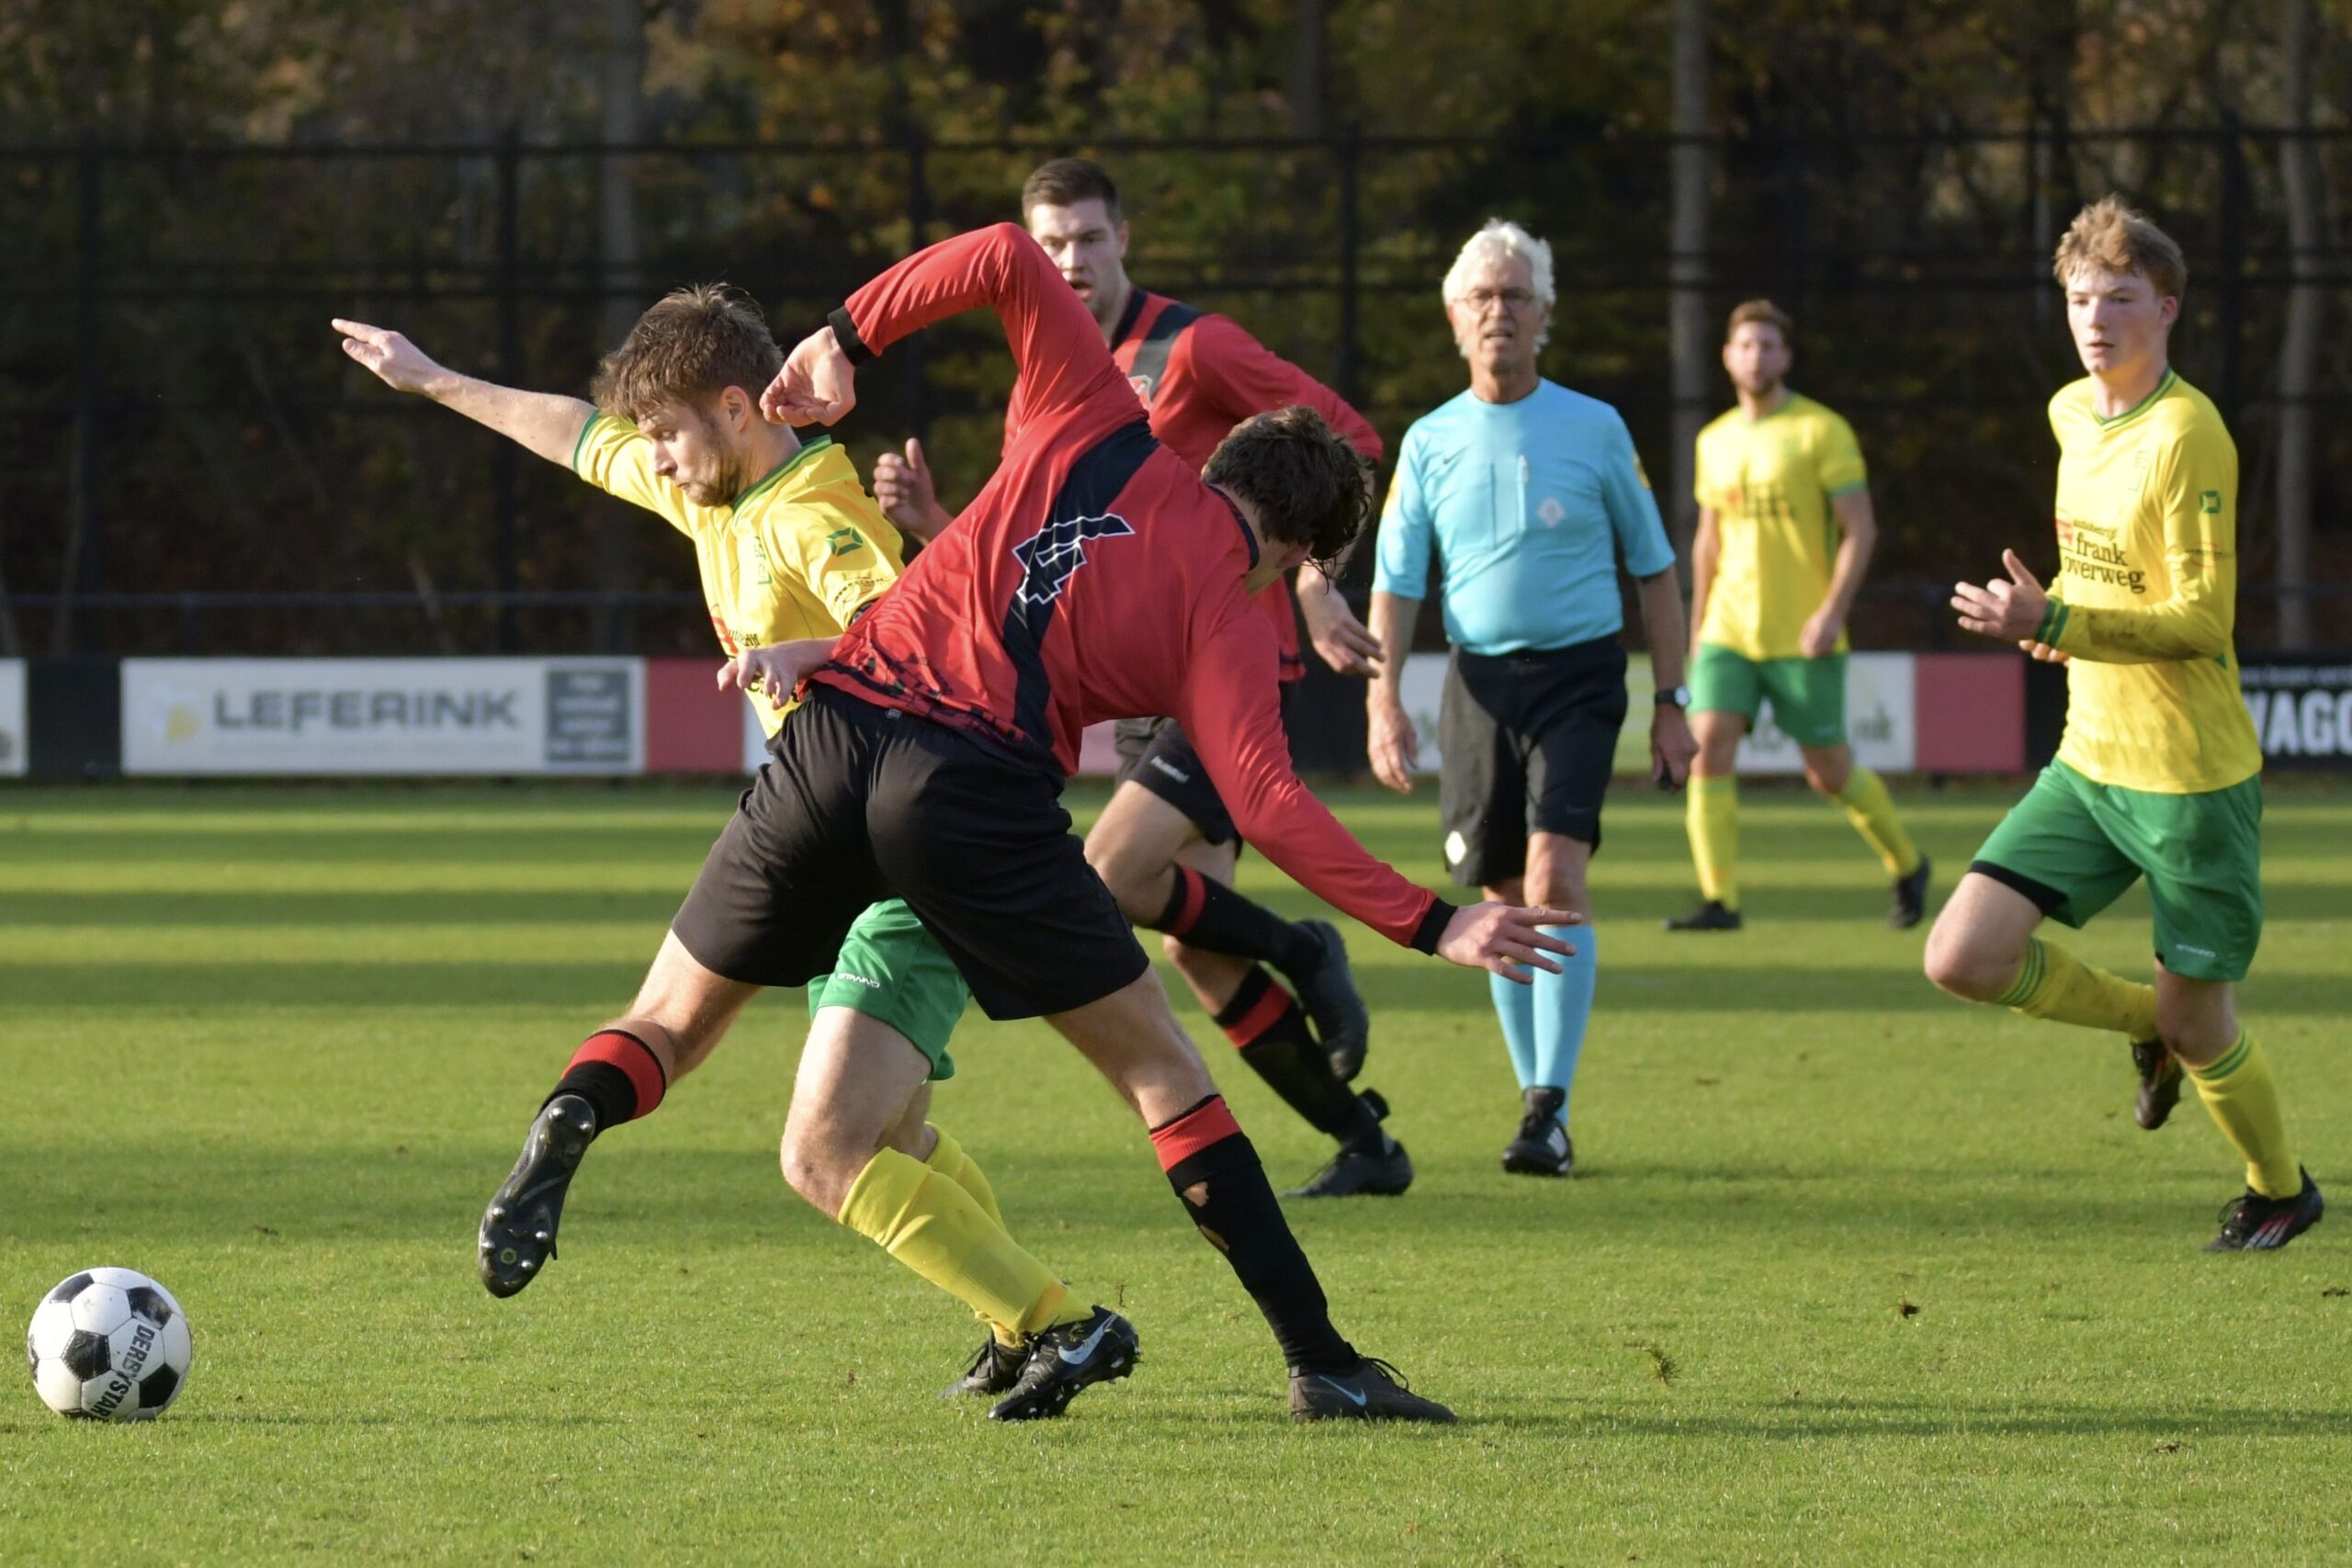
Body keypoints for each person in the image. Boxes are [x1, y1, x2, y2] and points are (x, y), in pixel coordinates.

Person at [710, 219, 1572, 1424]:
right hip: (992, 817)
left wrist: (848, 334)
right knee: (1166, 1075)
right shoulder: (1226, 612)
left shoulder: (1091, 412)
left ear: (1226, 466)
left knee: (825, 1135)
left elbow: (1007, 255)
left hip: (858, 768)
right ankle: (1318, 1356)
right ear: (1297, 549)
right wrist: (1433, 921)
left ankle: (1033, 1316)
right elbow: (1270, 805)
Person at [334, 294, 1093, 1414]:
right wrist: (433, 376)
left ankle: (1062, 1326)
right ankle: (1018, 1321)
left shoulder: (813, 508)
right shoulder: (712, 487)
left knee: (828, 1148)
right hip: (833, 838)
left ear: (737, 409)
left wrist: (813, 649)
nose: (655, 463)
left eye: (670, 437)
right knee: (893, 1133)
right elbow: (565, 432)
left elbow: (935, 658)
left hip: (911, 853)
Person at [872, 158, 1405, 1200]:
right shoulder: (1054, 364)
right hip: (1130, 678)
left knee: (1111, 874)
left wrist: (1314, 586)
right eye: (1052, 241)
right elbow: (1050, 545)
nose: (1071, 261)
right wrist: (937, 525)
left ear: (1125, 237)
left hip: (1220, 672)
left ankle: (1305, 943)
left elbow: (1349, 439)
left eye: (1089, 238)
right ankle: (1366, 1147)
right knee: (1201, 961)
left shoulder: (1193, 348)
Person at [1924, 197, 2321, 1251]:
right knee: (1960, 956)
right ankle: (2144, 1025)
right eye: (2079, 299)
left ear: (2168, 307)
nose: (2095, 319)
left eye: (2120, 299)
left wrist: (2056, 616)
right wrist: (2057, 619)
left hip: (2188, 783)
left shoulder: (2190, 434)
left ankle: (2280, 1188)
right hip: (2088, 764)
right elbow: (2109, 571)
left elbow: (2202, 620)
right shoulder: (2066, 412)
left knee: (2206, 1023)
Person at [1366, 220, 1696, 1179]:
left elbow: (1657, 573)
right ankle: (1532, 1097)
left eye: (1516, 296)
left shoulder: (1594, 427)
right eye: (1482, 298)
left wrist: (1670, 698)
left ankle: (1549, 1106)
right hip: (1475, 687)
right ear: (1453, 318)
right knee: (1500, 897)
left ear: (1544, 315)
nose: (1498, 312)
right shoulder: (1428, 441)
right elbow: (1397, 586)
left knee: (1555, 879)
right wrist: (1383, 701)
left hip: (1581, 678)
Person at [1666, 300, 1931, 933]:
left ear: (1785, 356)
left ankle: (1908, 862)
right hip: (1731, 631)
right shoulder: (1714, 439)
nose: (1756, 356)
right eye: (1745, 345)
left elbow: (1860, 530)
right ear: (1728, 357)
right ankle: (1719, 900)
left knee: (1829, 771)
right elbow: (1709, 539)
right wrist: (1698, 623)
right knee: (1707, 750)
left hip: (1804, 635)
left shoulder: (1821, 430)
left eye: (1767, 345)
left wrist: (1832, 611)